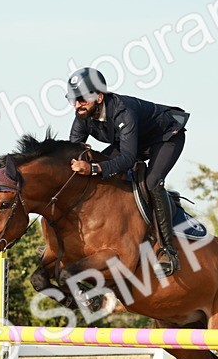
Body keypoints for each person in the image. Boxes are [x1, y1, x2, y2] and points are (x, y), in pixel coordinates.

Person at [65, 67, 190, 275]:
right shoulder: (82, 115)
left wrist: (94, 168)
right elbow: (72, 150)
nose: (77, 104)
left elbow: (128, 158)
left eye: (82, 99)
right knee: (93, 166)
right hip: (133, 141)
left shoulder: (123, 111)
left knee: (152, 183)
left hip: (166, 137)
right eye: (73, 100)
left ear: (99, 97)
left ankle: (168, 250)